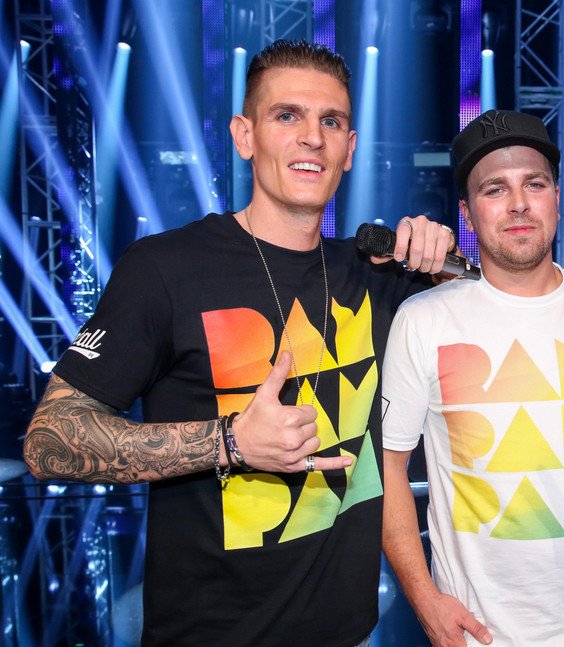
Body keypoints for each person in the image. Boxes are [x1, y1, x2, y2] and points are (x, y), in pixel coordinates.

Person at [22, 39, 456, 646]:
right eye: (287, 116)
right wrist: (229, 442)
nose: (312, 138)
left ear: (350, 148)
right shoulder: (165, 269)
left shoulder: (374, 273)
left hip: (351, 634)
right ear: (244, 136)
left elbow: (508, 312)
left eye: (331, 121)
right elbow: (48, 440)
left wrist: (446, 260)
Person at [380, 109, 564, 646]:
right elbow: (388, 467)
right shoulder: (422, 319)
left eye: (534, 184)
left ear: (557, 197)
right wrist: (424, 600)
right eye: (495, 189)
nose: (518, 203)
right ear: (467, 214)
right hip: (472, 636)